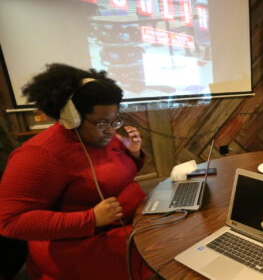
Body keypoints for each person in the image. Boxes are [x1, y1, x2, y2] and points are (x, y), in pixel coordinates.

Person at [0, 64, 151, 280]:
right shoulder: (39, 155)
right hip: (81, 245)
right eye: (101, 122)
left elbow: (114, 178)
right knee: (167, 261)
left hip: (128, 225)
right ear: (72, 118)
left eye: (114, 120)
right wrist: (89, 219)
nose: (110, 129)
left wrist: (134, 156)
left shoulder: (103, 137)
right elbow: (10, 222)